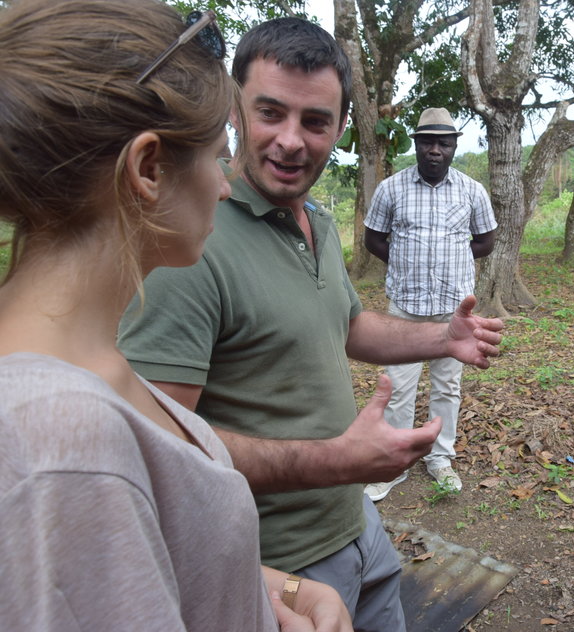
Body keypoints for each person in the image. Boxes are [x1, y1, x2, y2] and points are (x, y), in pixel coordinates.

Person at [117, 17, 504, 632]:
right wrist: (340, 460)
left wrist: (443, 337)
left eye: (315, 121)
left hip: (358, 528)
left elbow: (349, 326)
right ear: (234, 110)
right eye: (270, 112)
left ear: (340, 128)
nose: (291, 141)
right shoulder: (190, 244)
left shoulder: (313, 221)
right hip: (274, 570)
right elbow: (163, 448)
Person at [0, 1, 351, 630]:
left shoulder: (89, 369)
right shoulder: (59, 439)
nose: (224, 184)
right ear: (149, 168)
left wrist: (284, 592)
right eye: (219, 154)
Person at [363, 108, 497, 501]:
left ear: (454, 146)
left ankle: (440, 458)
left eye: (444, 142)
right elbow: (374, 239)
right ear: (417, 144)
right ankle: (396, 464)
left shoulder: (473, 190)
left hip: (454, 312)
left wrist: (447, 260)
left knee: (447, 387)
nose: (435, 150)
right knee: (399, 389)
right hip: (404, 309)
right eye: (427, 142)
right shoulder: (391, 188)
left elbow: (484, 242)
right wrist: (407, 261)